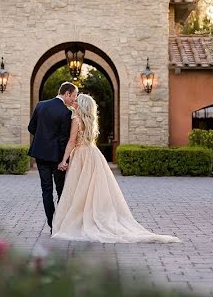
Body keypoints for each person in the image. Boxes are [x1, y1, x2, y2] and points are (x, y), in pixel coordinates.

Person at [51, 93, 180, 243]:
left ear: (80, 105)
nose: (74, 102)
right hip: (93, 154)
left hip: (80, 155)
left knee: (79, 189)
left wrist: (64, 160)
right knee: (91, 189)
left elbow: (72, 141)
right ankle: (90, 215)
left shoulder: (76, 119)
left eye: (76, 101)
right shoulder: (91, 121)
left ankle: (78, 220)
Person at [27, 81, 77, 231]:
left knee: (46, 190)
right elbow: (63, 139)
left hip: (40, 154)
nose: (74, 100)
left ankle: (51, 223)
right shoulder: (66, 112)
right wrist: (64, 160)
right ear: (67, 93)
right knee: (61, 189)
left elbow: (31, 127)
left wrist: (43, 138)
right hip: (57, 157)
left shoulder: (40, 105)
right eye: (73, 96)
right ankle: (60, 223)